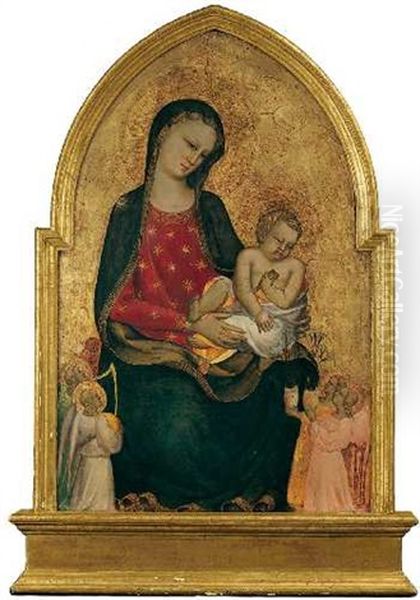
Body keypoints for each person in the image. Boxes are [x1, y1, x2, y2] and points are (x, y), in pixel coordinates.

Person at [94, 98, 318, 511]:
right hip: (155, 349)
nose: (193, 159)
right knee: (182, 418)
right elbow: (117, 306)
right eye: (190, 144)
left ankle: (255, 495)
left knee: (277, 383)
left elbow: (244, 269)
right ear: (162, 135)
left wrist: (280, 301)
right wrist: (191, 324)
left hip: (223, 337)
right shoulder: (128, 212)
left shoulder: (210, 208)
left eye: (203, 154)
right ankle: (185, 505)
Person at [187, 204, 308, 366]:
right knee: (223, 284)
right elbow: (241, 290)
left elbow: (286, 302)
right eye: (279, 240)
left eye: (289, 246)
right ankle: (199, 311)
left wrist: (267, 288)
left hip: (273, 319)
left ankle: (209, 339)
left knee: (268, 336)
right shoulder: (249, 256)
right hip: (241, 306)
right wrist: (257, 312)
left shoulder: (295, 266)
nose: (282, 248)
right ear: (265, 233)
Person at [58, 381, 123, 511]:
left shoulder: (99, 419)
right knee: (87, 489)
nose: (93, 402)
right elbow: (108, 443)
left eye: (95, 399)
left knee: (98, 494)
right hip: (91, 461)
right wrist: (113, 431)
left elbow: (111, 445)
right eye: (91, 399)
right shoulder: (96, 419)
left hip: (100, 461)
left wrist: (115, 428)